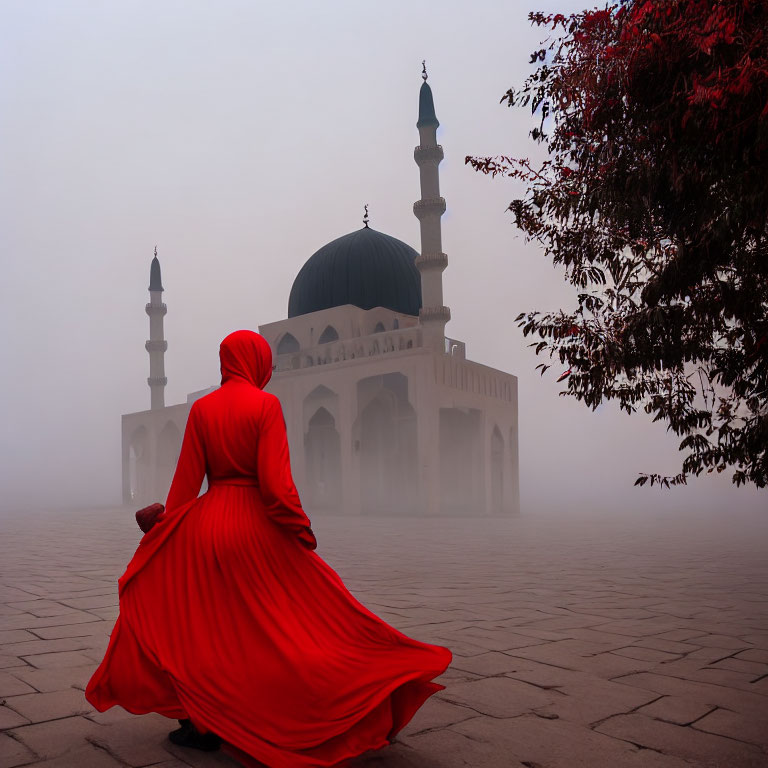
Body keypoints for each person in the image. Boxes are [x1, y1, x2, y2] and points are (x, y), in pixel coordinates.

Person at [85, 329, 452, 768]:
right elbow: (276, 489)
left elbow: (184, 487)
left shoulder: (202, 410)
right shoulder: (266, 405)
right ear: (258, 362)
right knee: (291, 625)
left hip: (203, 530)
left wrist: (163, 534)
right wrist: (299, 530)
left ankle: (203, 721)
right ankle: (315, 703)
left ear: (226, 361)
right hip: (253, 528)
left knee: (210, 633)